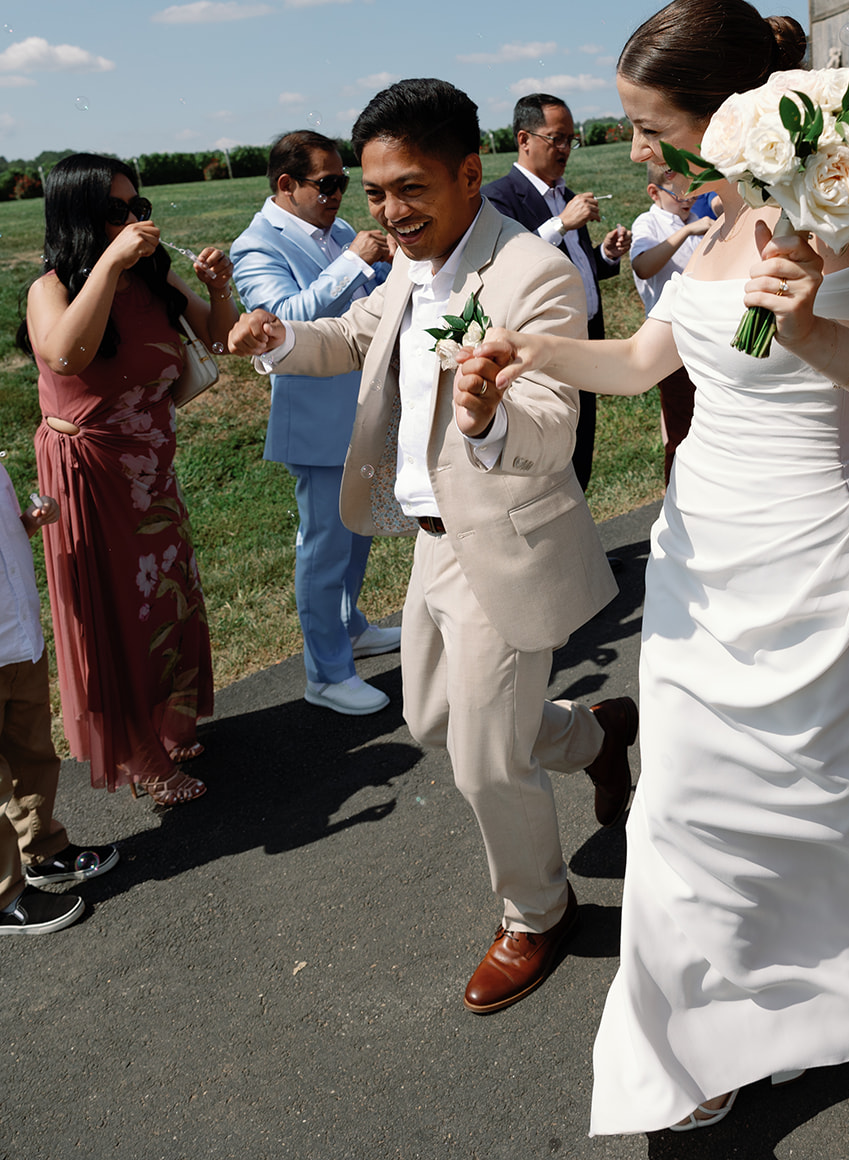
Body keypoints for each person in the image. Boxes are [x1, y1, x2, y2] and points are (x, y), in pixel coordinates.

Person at [471, 0, 849, 1134]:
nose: (630, 146)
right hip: (697, 557)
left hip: (806, 565)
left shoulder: (837, 234)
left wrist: (812, 331)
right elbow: (645, 362)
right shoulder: (717, 222)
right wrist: (524, 346)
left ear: (726, 116)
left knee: (805, 798)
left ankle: (755, 1020)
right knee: (683, 807)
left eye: (646, 124)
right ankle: (704, 1040)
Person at [228, 78, 637, 1015]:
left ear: (467, 173)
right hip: (429, 540)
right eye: (373, 194)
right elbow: (349, 334)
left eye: (409, 188)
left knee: (485, 759)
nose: (388, 212)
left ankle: (537, 912)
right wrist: (277, 337)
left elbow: (549, 422)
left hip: (506, 536)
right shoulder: (409, 271)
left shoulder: (530, 271)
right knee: (436, 721)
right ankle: (594, 732)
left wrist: (488, 415)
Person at [20, 154, 237, 805]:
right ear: (80, 215)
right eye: (115, 211)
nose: (133, 221)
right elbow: (66, 353)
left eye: (137, 208)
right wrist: (111, 265)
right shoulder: (51, 288)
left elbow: (220, 342)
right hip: (90, 477)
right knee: (113, 614)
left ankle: (166, 727)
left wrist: (218, 287)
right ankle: (142, 757)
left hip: (151, 476)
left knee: (163, 602)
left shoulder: (154, 279)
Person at [230, 131, 399, 717]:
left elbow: (370, 306)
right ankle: (325, 674)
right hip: (317, 418)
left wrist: (390, 269)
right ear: (286, 185)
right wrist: (353, 264)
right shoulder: (255, 247)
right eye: (327, 185)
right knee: (324, 548)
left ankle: (349, 627)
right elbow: (280, 323)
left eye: (342, 183)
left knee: (358, 532)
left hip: (362, 409)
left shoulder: (340, 232)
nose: (338, 194)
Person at [481, 95, 631, 490]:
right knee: (548, 454)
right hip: (537, 346)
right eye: (556, 139)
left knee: (582, 445)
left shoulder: (565, 195)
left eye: (570, 140)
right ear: (524, 139)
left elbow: (575, 270)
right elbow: (508, 263)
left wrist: (606, 254)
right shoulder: (498, 198)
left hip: (584, 338)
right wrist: (560, 225)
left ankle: (583, 546)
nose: (565, 149)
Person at [1, 468, 117, 935]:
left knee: (33, 756)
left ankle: (41, 849)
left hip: (18, 638)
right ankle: (5, 895)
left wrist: (24, 524)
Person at [628, 162, 710, 482]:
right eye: (679, 194)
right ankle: (676, 501)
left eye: (693, 192)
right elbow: (643, 266)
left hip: (705, 335)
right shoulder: (649, 223)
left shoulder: (700, 221)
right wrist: (687, 230)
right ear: (654, 193)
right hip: (671, 338)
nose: (688, 200)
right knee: (681, 428)